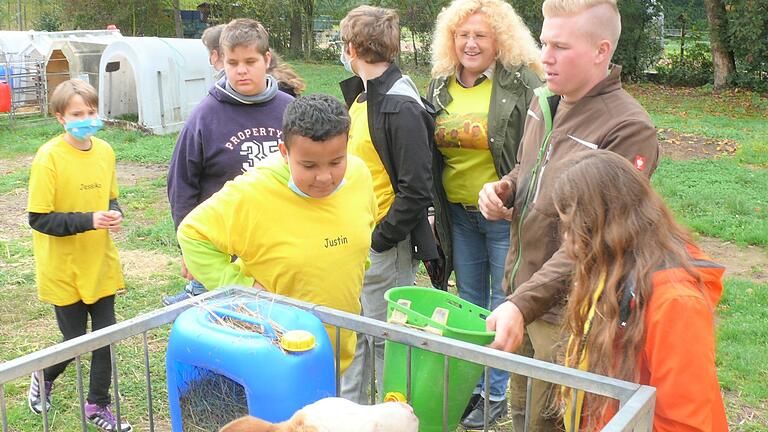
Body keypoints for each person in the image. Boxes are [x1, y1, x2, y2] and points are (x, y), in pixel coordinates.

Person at [478, 0, 660, 429]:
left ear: (601, 50)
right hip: (523, 296)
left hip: (571, 315)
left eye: (560, 46)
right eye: (544, 43)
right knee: (522, 415)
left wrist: (522, 305)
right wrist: (506, 187)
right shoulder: (546, 102)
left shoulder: (629, 128)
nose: (545, 57)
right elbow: (531, 168)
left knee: (551, 423)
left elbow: (596, 236)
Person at [176, 94, 376, 374]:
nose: (324, 177)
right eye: (309, 165)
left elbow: (364, 229)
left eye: (335, 162)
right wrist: (241, 289)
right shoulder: (253, 192)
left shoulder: (359, 176)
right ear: (284, 151)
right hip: (276, 356)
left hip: (339, 351)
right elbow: (192, 233)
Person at [425, 0, 543, 427]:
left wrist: (517, 197)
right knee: (468, 302)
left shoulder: (523, 83)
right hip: (458, 214)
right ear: (450, 39)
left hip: (503, 216)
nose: (471, 44)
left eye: (481, 35)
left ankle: (494, 396)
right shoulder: (440, 85)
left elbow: (539, 150)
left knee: (501, 302)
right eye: (463, 35)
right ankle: (472, 389)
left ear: (501, 40)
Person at [552, 150, 728, 431]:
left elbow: (684, 423)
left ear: (601, 226)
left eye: (571, 226)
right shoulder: (613, 271)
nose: (565, 237)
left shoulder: (676, 303)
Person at [337, 5, 438, 404]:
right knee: (356, 334)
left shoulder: (402, 105)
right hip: (358, 238)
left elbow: (416, 189)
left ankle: (390, 418)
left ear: (352, 46)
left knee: (384, 341)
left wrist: (381, 240)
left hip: (385, 244)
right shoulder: (365, 97)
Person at [164, 18, 294, 306]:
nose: (242, 70)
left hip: (282, 242)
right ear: (222, 61)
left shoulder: (290, 109)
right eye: (233, 63)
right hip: (227, 248)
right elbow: (181, 185)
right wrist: (187, 247)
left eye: (250, 61)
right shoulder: (204, 116)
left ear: (267, 59)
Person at [26, 79, 132, 431]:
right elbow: (38, 219)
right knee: (75, 343)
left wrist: (114, 213)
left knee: (104, 337)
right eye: (77, 114)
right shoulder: (48, 158)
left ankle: (97, 406)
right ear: (60, 118)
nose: (86, 119)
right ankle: (43, 374)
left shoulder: (105, 151)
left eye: (91, 112)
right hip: (64, 268)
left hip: (99, 261)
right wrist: (89, 220)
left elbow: (110, 198)